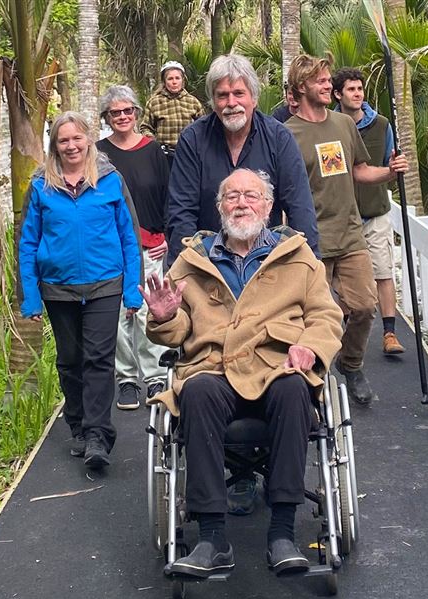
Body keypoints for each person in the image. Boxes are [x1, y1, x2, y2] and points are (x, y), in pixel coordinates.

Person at [142, 168, 343, 578]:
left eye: (251, 196)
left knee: (294, 390)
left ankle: (283, 533)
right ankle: (212, 538)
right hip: (214, 367)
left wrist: (310, 346)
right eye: (231, 196)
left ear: (269, 207)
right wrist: (163, 317)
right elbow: (178, 327)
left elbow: (326, 315)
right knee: (194, 391)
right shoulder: (191, 261)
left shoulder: (299, 258)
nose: (241, 203)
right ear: (219, 208)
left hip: (276, 364)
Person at [19, 111, 143, 469]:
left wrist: (132, 291)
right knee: (70, 360)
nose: (71, 146)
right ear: (54, 146)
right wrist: (29, 295)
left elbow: (129, 238)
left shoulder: (109, 181)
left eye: (77, 138)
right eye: (63, 140)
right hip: (58, 288)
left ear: (88, 140)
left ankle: (98, 436)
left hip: (105, 284)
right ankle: (77, 423)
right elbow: (27, 243)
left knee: (98, 359)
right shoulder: (42, 185)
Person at [284, 54, 408, 406]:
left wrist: (389, 172)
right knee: (316, 316)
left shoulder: (343, 125)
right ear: (302, 87)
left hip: (351, 233)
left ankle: (351, 364)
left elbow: (360, 170)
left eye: (328, 80)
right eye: (321, 81)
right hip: (310, 241)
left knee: (365, 306)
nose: (328, 86)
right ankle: (312, 378)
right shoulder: (286, 134)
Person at [166, 53, 320, 266]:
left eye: (239, 93)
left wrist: (309, 265)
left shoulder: (279, 138)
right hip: (208, 264)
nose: (231, 103)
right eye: (222, 95)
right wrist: (184, 271)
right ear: (212, 101)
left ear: (254, 98)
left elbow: (299, 207)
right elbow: (181, 212)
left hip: (267, 262)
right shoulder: (193, 140)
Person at [97, 85, 171, 410]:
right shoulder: (97, 154)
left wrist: (168, 234)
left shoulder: (153, 150)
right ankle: (126, 379)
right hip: (110, 246)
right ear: (107, 117)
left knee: (145, 310)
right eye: (116, 112)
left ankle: (154, 375)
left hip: (151, 244)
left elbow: (169, 194)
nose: (123, 117)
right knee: (116, 314)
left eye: (128, 111)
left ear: (137, 114)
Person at [332, 67, 405, 355]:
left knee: (383, 271)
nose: (358, 94)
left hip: (375, 211)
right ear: (338, 94)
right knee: (342, 278)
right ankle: (346, 328)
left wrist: (396, 167)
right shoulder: (331, 125)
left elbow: (390, 162)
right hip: (343, 215)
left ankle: (390, 333)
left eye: (360, 89)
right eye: (351, 89)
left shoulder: (382, 125)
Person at [142, 61, 204, 153]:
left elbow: (203, 128)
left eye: (177, 78)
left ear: (183, 80)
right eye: (170, 79)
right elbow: (145, 127)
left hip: (188, 153)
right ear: (164, 81)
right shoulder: (154, 102)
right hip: (164, 155)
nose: (174, 82)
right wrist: (153, 142)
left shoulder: (193, 102)